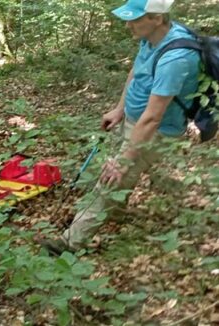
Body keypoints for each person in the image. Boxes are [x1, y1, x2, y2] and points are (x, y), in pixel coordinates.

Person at [42, 0, 200, 254]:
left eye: (135, 19)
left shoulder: (176, 58)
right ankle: (115, 213)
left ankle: (68, 244)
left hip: (155, 132)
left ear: (157, 18)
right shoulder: (151, 37)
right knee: (114, 174)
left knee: (110, 179)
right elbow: (136, 73)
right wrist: (120, 108)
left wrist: (124, 161)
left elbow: (153, 118)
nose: (128, 25)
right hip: (133, 120)